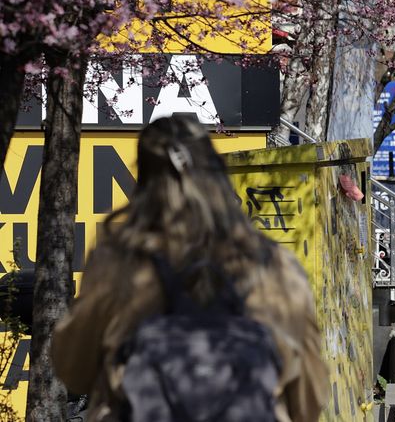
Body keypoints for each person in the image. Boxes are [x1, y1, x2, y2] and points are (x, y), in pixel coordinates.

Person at [52, 115, 329, 422]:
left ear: (144, 180)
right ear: (215, 171)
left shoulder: (119, 260)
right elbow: (309, 398)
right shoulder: (276, 266)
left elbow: (74, 369)